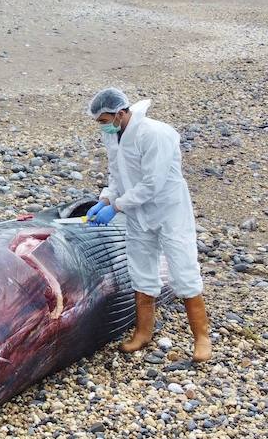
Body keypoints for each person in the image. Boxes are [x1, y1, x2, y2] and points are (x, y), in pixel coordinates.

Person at [85, 87, 211, 362]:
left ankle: (202, 338)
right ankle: (143, 332)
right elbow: (117, 174)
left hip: (168, 210)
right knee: (141, 269)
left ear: (120, 113)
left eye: (104, 122)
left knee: (183, 270)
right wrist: (106, 199)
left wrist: (116, 206)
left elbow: (152, 184)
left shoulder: (156, 134)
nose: (102, 128)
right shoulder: (114, 137)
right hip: (137, 212)